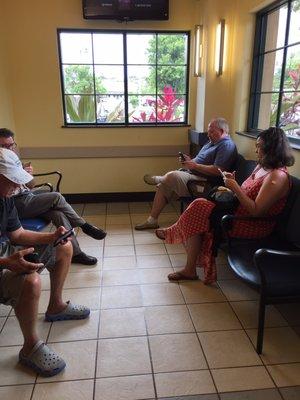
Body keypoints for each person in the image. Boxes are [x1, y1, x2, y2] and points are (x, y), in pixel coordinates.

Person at [155, 127, 295, 284]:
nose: (256, 150)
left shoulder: (277, 176)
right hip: (237, 212)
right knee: (200, 208)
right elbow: (247, 192)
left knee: (199, 210)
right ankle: (188, 266)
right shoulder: (262, 166)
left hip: (253, 225)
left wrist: (234, 187)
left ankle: (179, 241)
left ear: (271, 148)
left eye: (259, 146)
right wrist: (232, 183)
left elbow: (256, 211)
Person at [0, 148, 90, 377]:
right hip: (2, 258)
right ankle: (30, 347)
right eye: (9, 180)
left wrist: (52, 237)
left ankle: (56, 306)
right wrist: (5, 262)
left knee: (63, 247)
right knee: (30, 281)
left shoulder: (6, 198)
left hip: (5, 251)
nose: (15, 186)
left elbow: (18, 235)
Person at [0, 128, 106, 266]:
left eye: (11, 145)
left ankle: (76, 253)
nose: (9, 149)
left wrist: (26, 174)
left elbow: (31, 185)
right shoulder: (3, 164)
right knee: (56, 197)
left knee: (58, 214)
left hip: (26, 196)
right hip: (17, 203)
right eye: (4, 146)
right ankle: (84, 225)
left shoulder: (14, 159)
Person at [135, 118, 237, 230]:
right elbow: (199, 161)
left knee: (172, 176)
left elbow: (218, 170)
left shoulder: (226, 145)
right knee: (164, 185)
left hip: (206, 183)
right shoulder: (211, 143)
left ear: (222, 131)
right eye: (208, 131)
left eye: (211, 131)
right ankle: (152, 221)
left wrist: (195, 166)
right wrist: (190, 161)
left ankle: (158, 179)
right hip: (194, 174)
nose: (208, 135)